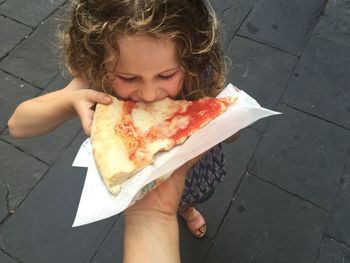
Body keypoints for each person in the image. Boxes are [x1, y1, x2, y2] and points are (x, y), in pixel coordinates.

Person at [8, 0, 239, 261]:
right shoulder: (97, 78)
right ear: (98, 62)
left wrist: (220, 121)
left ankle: (186, 209)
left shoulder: (200, 77)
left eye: (166, 75)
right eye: (129, 79)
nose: (150, 94)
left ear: (191, 57)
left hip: (198, 170)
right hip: (140, 183)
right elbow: (17, 125)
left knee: (194, 196)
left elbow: (233, 135)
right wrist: (69, 103)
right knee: (172, 201)